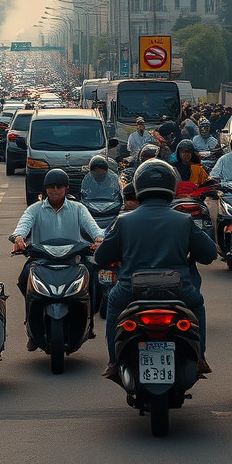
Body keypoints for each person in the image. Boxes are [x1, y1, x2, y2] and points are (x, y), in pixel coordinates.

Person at [95, 160, 215, 378]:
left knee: (113, 304)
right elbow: (210, 255)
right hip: (177, 286)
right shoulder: (184, 220)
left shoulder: (124, 222)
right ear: (170, 186)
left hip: (131, 287)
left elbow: (101, 257)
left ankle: (113, 362)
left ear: (139, 187)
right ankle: (200, 358)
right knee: (196, 304)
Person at [10, 168, 104, 346]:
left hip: (74, 260)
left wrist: (98, 238)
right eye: (51, 187)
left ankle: (89, 324)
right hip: (40, 260)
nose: (55, 190)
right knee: (24, 279)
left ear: (66, 188)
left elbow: (94, 228)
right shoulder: (34, 209)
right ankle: (31, 327)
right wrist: (19, 237)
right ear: (45, 189)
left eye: (59, 186)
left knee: (95, 281)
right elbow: (23, 225)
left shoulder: (78, 208)